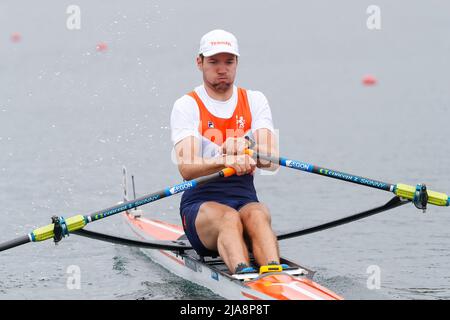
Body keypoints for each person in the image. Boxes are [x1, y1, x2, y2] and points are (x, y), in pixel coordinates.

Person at [170, 29, 280, 274]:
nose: (222, 69)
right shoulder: (187, 106)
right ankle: (243, 276)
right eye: (213, 62)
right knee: (229, 217)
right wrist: (225, 159)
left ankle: (274, 277)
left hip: (245, 197)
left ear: (237, 63)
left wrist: (248, 148)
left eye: (229, 62)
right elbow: (186, 169)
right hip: (200, 203)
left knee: (259, 214)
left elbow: (272, 162)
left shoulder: (254, 100)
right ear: (199, 63)